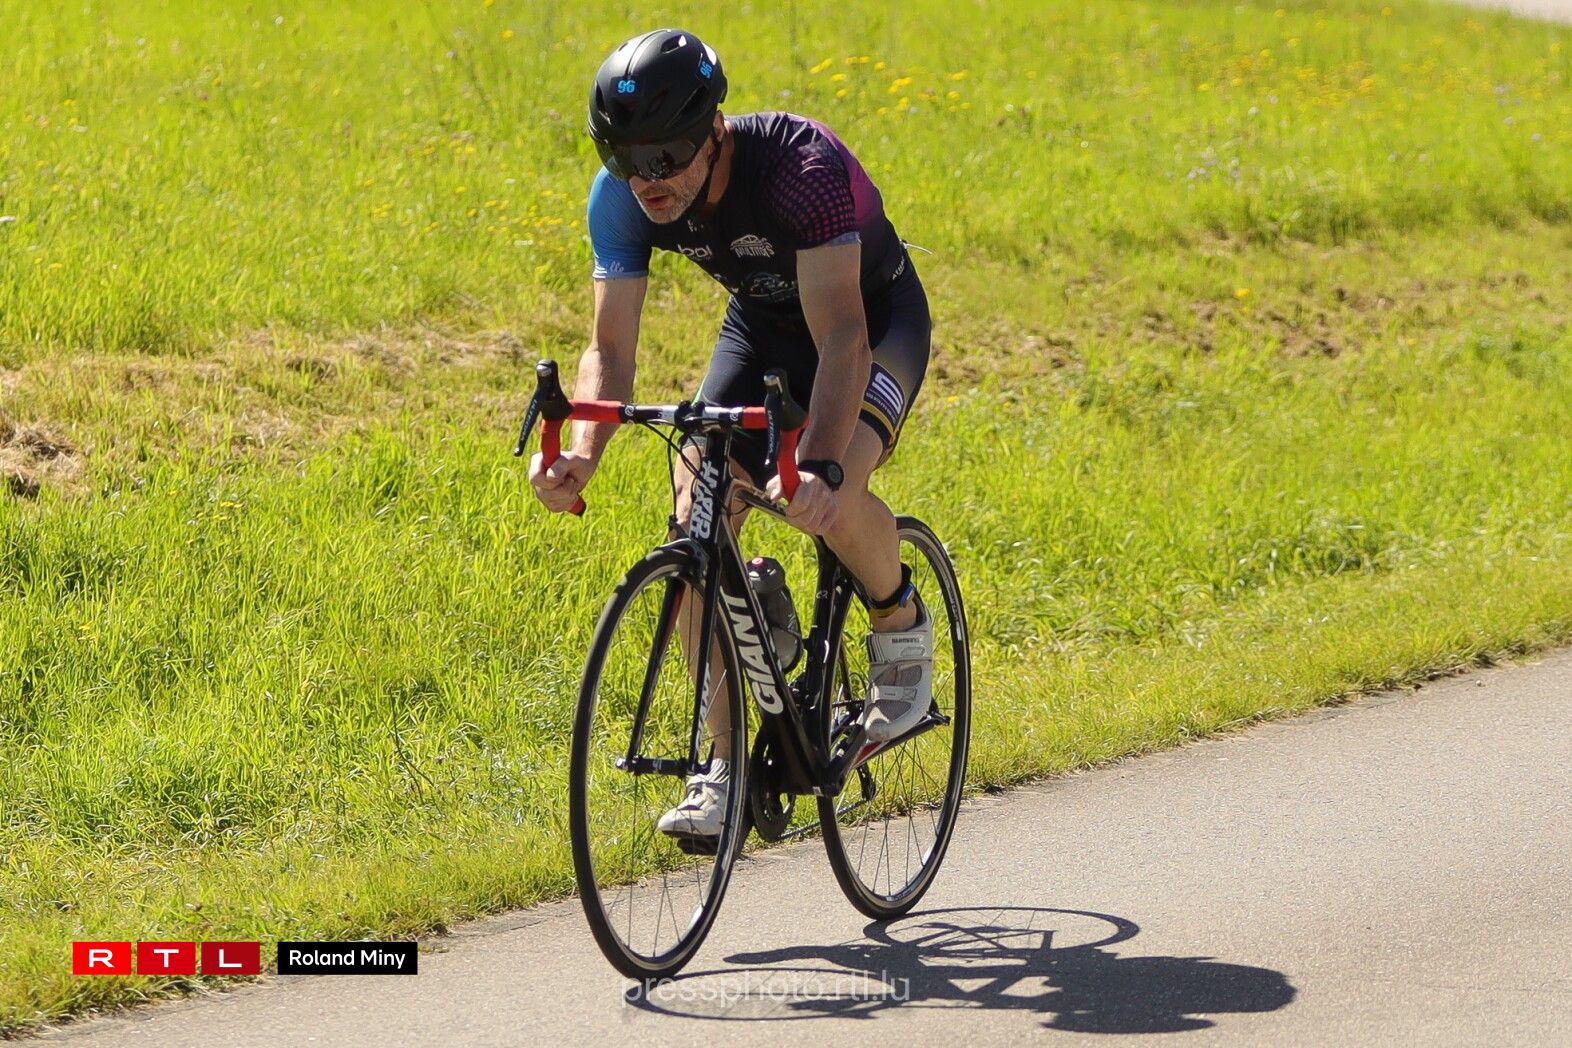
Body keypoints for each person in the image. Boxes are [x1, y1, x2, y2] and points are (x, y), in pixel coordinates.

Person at [529, 29, 933, 838]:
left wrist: (820, 465)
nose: (648, 179)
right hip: (763, 328)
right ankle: (723, 765)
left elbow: (843, 338)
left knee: (828, 491)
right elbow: (610, 350)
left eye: (666, 155)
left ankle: (900, 627)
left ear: (715, 129)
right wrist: (581, 451)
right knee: (696, 516)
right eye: (624, 157)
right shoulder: (622, 198)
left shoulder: (799, 169)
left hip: (870, 320)